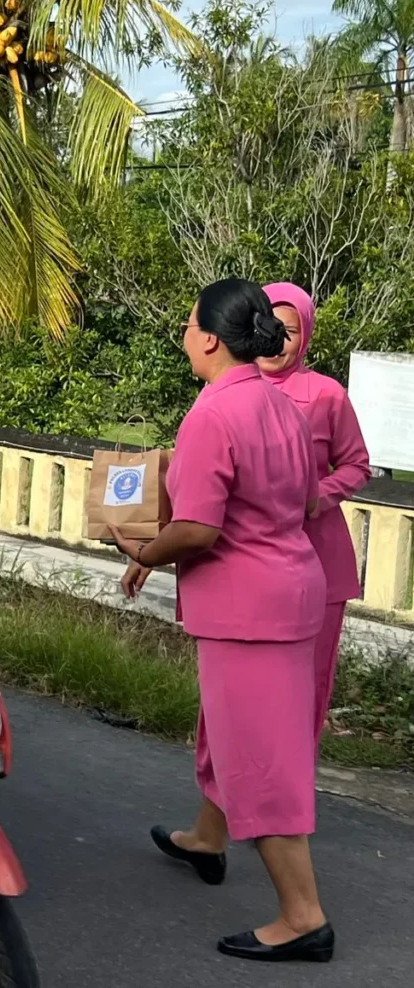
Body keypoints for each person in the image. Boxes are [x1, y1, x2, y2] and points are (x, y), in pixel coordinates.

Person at [111, 279, 333, 963]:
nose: (183, 336)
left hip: (246, 609)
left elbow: (200, 528)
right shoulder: (280, 402)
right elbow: (292, 502)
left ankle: (303, 916)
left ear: (209, 336)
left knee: (256, 764)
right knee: (269, 751)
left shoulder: (213, 412)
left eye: (186, 325)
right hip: (291, 591)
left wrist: (142, 548)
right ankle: (215, 845)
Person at [257, 283, 370, 743]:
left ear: (303, 338)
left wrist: (316, 496)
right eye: (265, 326)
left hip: (318, 558)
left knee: (306, 682)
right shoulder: (228, 388)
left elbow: (357, 464)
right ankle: (232, 795)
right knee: (250, 684)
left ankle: (292, 786)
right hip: (251, 559)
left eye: (287, 330)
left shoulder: (326, 394)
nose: (274, 340)